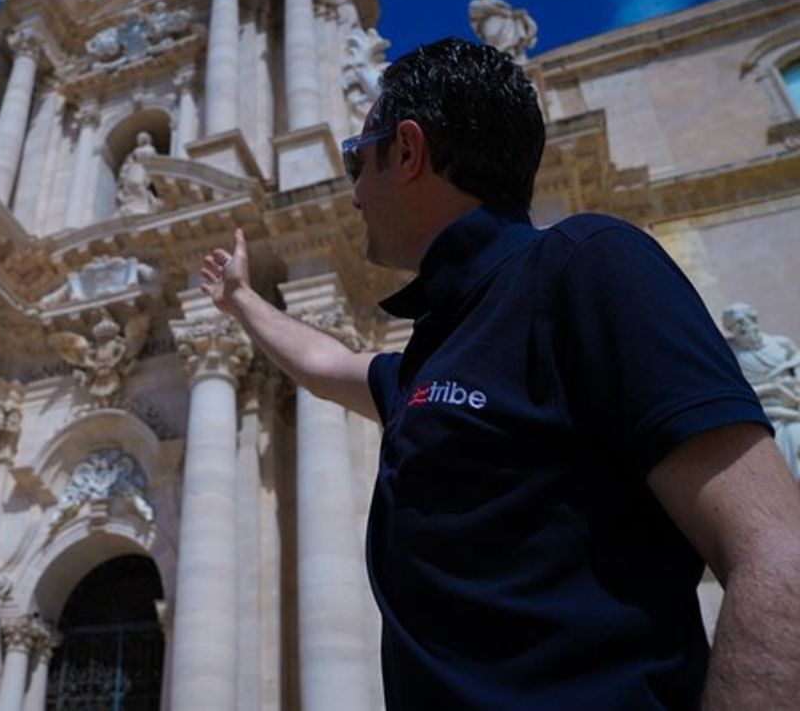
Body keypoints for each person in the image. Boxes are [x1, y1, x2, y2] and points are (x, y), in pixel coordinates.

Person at [201, 38, 800, 708]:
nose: (351, 189)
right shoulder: (432, 356)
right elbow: (325, 363)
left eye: (354, 157)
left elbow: (778, 552)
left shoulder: (588, 266)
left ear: (407, 150)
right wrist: (242, 300)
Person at [722, 302, 800, 482]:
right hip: (768, 413)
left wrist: (793, 388)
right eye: (736, 325)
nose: (743, 327)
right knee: (786, 440)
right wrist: (773, 389)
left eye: (745, 320)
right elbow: (737, 392)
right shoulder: (733, 355)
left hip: (794, 402)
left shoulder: (780, 344)